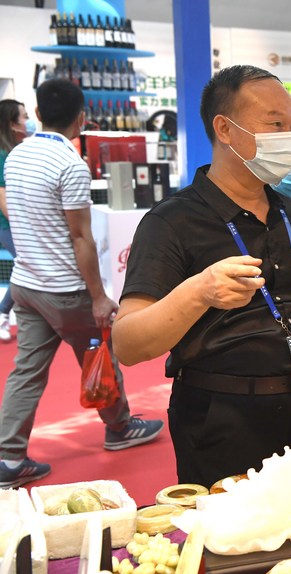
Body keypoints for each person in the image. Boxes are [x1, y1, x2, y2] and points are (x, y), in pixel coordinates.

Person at [112, 65, 291, 488]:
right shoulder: (172, 223)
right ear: (225, 130)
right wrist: (198, 291)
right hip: (222, 419)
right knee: (233, 547)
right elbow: (128, 343)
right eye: (275, 125)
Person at [0, 80, 163, 489]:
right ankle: (120, 428)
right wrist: (97, 296)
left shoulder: (17, 155)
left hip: (26, 283)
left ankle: (8, 457)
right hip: (65, 290)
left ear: (37, 116)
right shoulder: (69, 164)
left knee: (26, 372)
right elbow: (80, 237)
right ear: (82, 119)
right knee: (99, 358)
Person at [0, 99, 34, 342]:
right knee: (26, 262)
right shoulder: (2, 155)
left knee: (25, 263)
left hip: (16, 224)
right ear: (12, 123)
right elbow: (2, 195)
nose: (28, 120)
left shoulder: (15, 151)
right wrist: (20, 224)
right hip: (7, 225)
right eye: (23, 116)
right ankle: (2, 312)